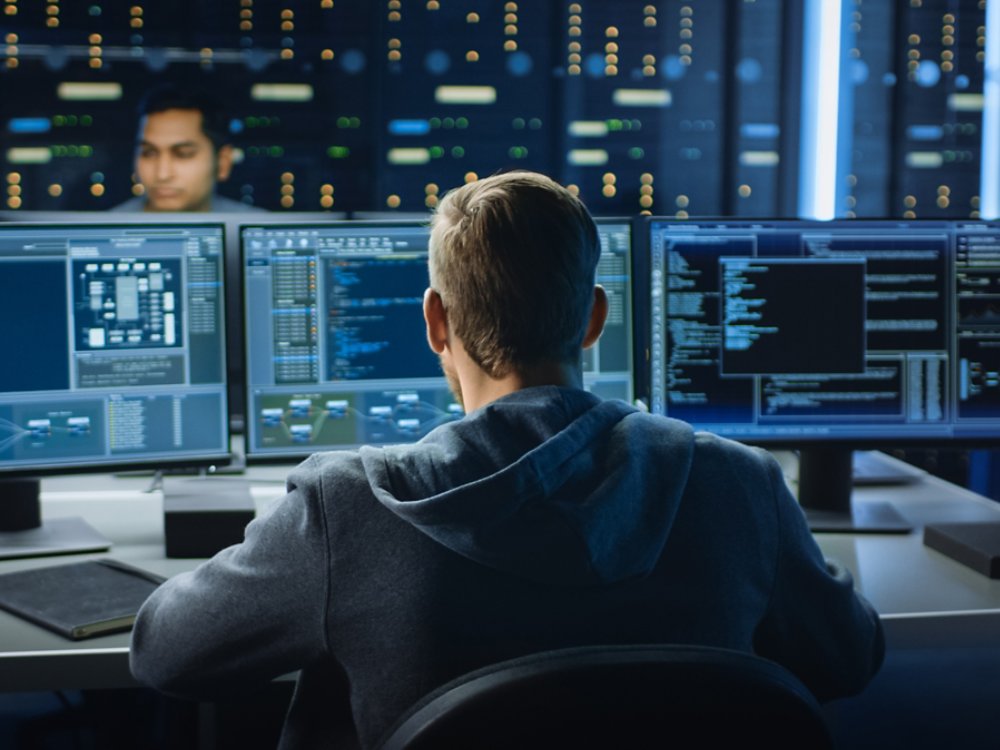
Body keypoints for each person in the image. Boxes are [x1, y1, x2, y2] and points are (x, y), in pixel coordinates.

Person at [130, 171, 884, 748]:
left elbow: (166, 655)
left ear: (436, 322)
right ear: (594, 319)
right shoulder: (738, 485)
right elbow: (850, 658)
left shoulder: (348, 508)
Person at [112, 83, 262, 213]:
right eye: (148, 153)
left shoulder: (257, 227)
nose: (162, 174)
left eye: (183, 154)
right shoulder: (108, 227)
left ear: (223, 162)